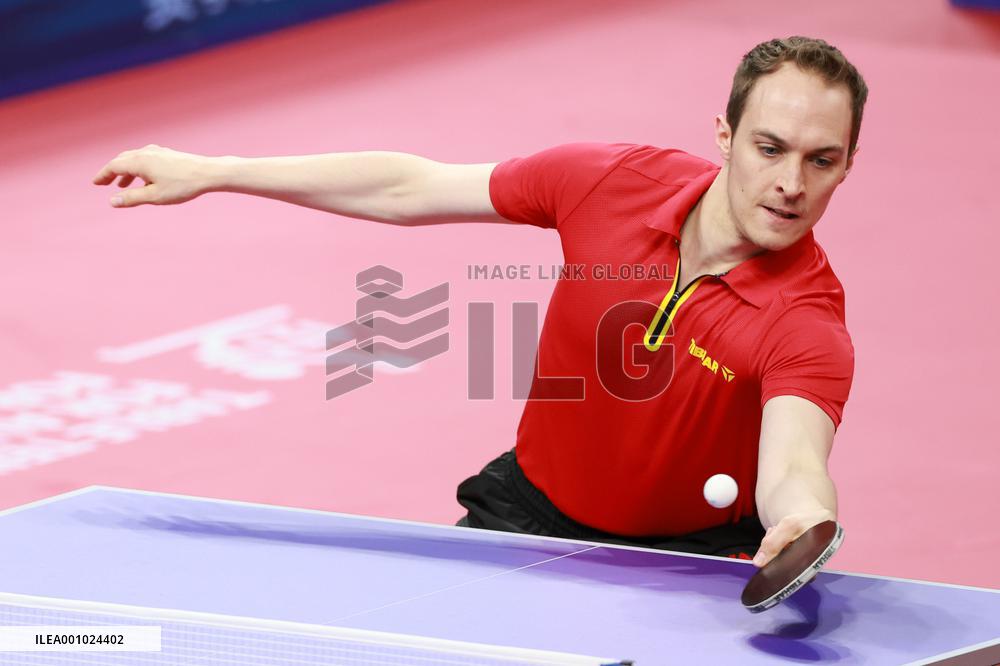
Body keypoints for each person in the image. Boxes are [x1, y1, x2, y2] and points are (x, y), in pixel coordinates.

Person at [93, 36, 868, 569]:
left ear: (846, 166)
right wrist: (220, 170)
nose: (792, 184)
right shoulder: (611, 182)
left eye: (820, 160)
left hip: (683, 563)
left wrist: (802, 517)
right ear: (726, 136)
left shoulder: (806, 321)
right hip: (524, 520)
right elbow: (410, 187)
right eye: (770, 148)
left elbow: (794, 461)